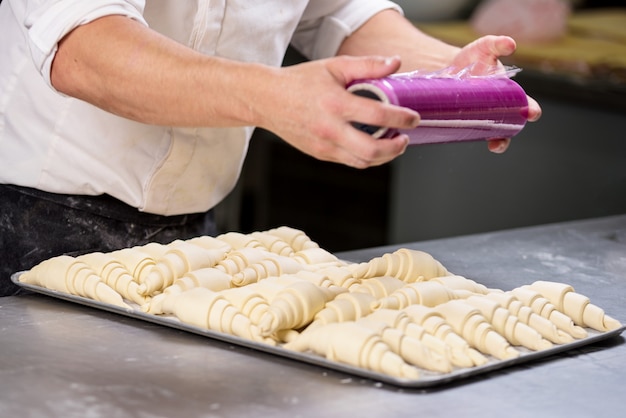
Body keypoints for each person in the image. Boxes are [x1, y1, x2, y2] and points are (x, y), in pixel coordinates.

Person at [0, 0, 541, 297]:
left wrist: (452, 77)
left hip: (192, 241)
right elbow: (84, 49)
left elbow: (336, 13)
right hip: (31, 224)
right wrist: (272, 97)